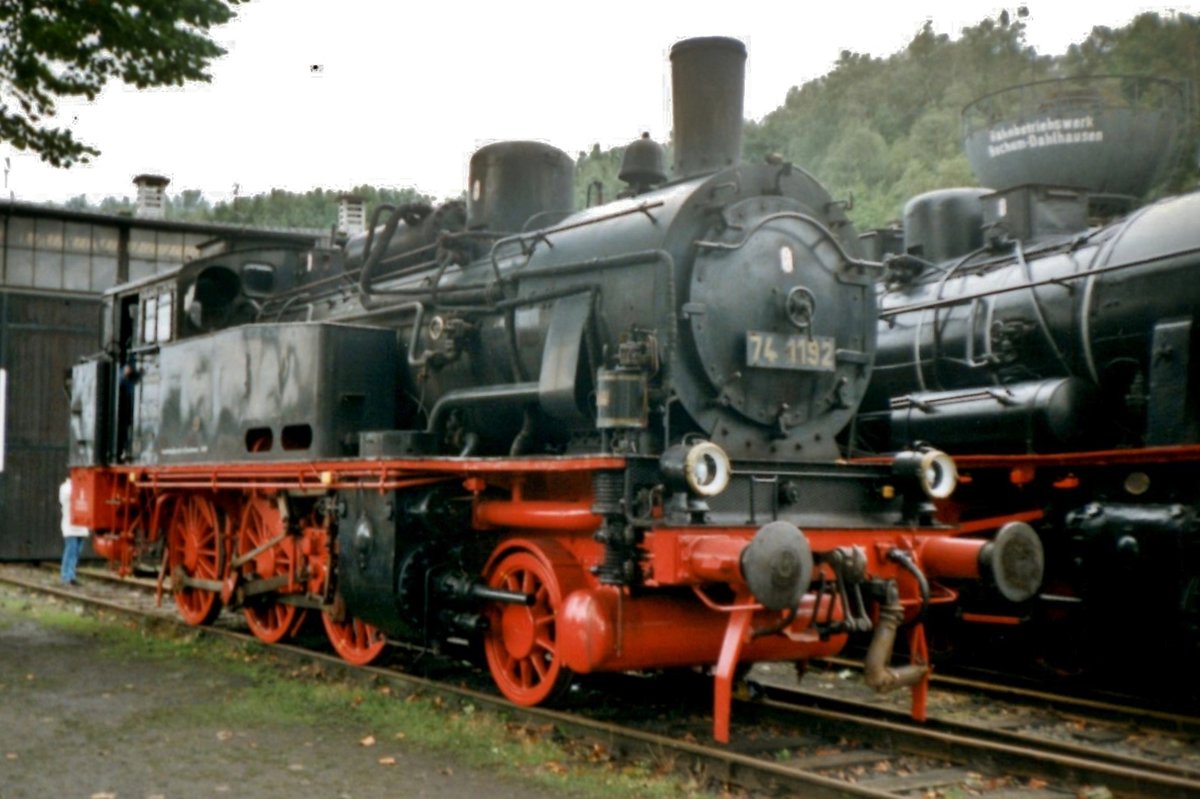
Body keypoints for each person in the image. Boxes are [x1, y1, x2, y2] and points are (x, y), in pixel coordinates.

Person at [59, 476, 88, 586]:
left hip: (81, 526)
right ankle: (67, 576)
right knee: (71, 551)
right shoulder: (65, 487)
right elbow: (67, 498)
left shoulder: (82, 487)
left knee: (76, 553)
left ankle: (70, 575)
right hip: (70, 526)